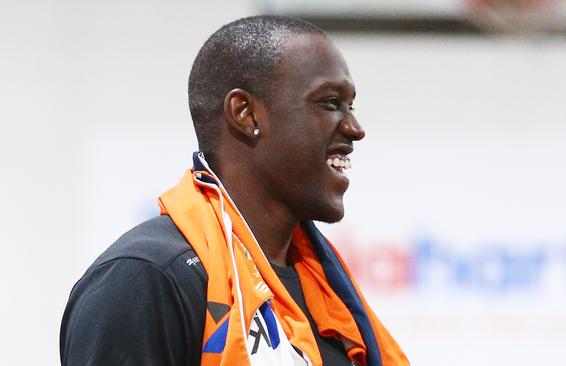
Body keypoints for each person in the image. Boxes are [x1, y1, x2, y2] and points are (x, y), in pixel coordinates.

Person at [60, 15, 408, 366]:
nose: (354, 128)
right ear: (246, 114)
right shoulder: (147, 279)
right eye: (330, 103)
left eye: (351, 106)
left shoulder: (328, 291)